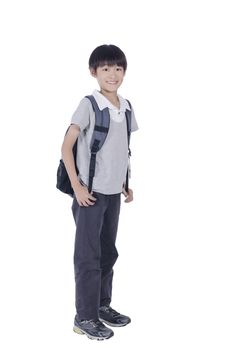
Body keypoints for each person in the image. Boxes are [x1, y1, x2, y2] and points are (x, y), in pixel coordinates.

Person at [61, 44, 138, 341]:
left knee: (108, 252)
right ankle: (84, 317)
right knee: (88, 257)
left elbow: (121, 149)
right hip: (89, 195)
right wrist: (78, 187)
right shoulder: (89, 105)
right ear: (93, 72)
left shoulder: (126, 106)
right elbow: (66, 147)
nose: (113, 74)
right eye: (105, 68)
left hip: (113, 193)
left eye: (118, 68)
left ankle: (101, 306)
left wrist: (125, 183)